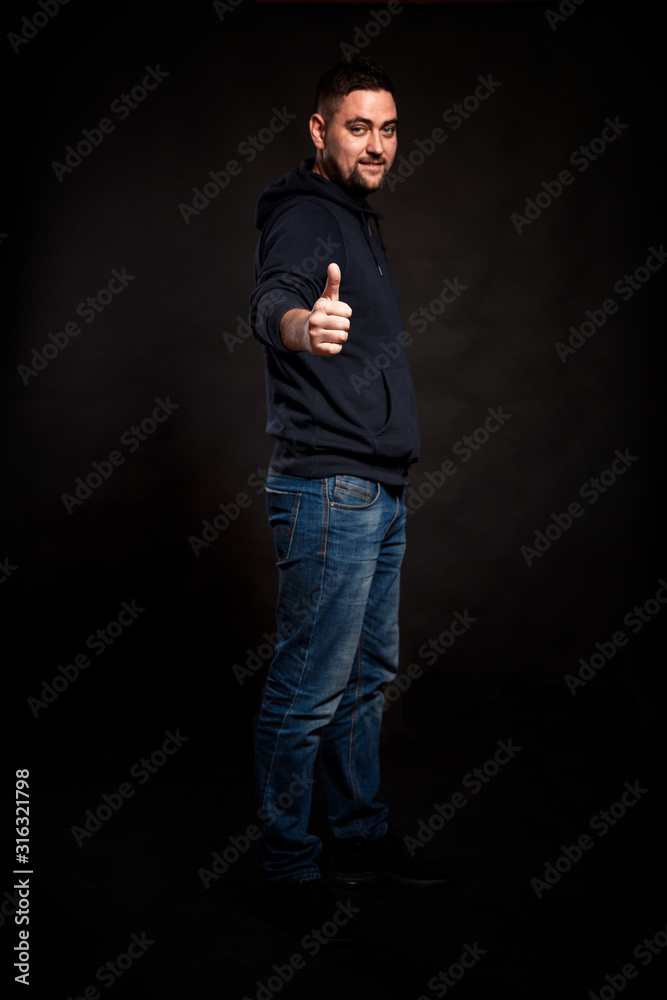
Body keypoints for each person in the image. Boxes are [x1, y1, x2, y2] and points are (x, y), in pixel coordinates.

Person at [249, 55, 451, 941]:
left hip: (376, 490)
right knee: (308, 690)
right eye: (358, 126)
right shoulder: (301, 211)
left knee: (365, 681)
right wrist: (304, 325)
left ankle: (358, 840)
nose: (376, 144)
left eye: (390, 128)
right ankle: (288, 867)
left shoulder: (357, 216)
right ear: (319, 131)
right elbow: (276, 301)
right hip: (329, 490)